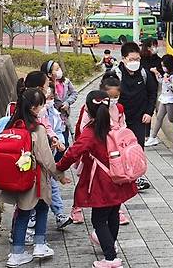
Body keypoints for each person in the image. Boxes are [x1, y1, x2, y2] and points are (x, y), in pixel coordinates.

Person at [56, 91, 138, 268]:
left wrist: (59, 167)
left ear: (88, 110)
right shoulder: (114, 126)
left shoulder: (91, 131)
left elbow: (73, 152)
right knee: (113, 214)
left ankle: (110, 259)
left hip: (102, 181)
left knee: (99, 220)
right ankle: (111, 246)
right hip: (119, 177)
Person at [0, 88, 69, 267]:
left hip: (18, 178)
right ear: (35, 108)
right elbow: (46, 158)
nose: (44, 107)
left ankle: (18, 252)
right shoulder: (37, 129)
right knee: (42, 208)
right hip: (36, 180)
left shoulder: (12, 124)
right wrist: (60, 175)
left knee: (22, 213)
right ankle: (37, 245)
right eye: (42, 104)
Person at [70, 73, 131, 226]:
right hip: (92, 153)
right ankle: (77, 207)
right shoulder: (91, 108)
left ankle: (116, 209)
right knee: (85, 180)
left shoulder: (119, 109)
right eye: (111, 97)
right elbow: (82, 129)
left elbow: (123, 127)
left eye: (116, 97)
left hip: (113, 153)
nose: (113, 100)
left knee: (115, 180)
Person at [114, 42, 156, 192]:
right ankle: (121, 177)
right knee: (120, 149)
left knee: (137, 148)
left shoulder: (144, 73)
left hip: (139, 118)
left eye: (137, 59)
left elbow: (152, 93)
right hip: (120, 120)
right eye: (131, 59)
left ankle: (137, 178)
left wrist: (149, 112)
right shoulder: (115, 74)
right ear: (123, 59)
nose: (135, 62)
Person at [41, 60, 78, 146]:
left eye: (59, 68)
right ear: (49, 74)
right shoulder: (46, 87)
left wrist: (67, 103)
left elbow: (74, 93)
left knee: (64, 141)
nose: (59, 70)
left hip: (64, 117)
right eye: (56, 69)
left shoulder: (65, 82)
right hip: (50, 119)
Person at [146, 54, 173, 147]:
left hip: (171, 100)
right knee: (159, 117)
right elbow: (161, 82)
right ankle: (153, 138)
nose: (163, 67)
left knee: (171, 119)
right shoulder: (166, 74)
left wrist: (167, 81)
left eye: (164, 66)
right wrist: (157, 74)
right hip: (164, 98)